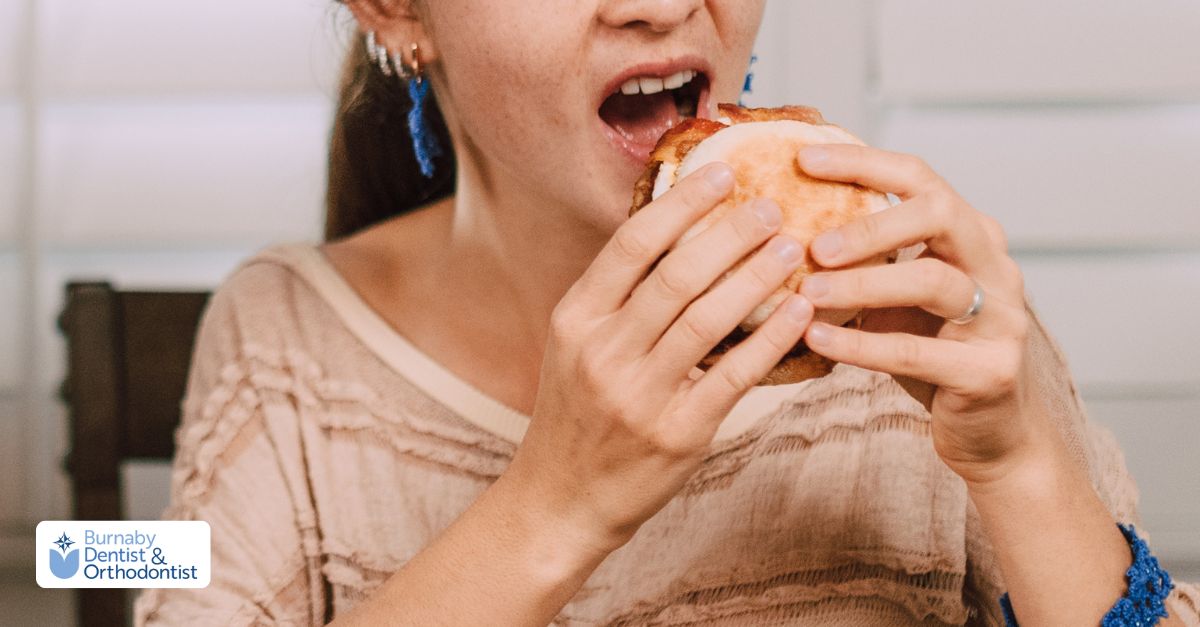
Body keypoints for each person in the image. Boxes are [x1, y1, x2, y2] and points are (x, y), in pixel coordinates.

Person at [135, 0, 1199, 625]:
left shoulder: (927, 306)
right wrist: (553, 507)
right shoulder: (281, 336)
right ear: (397, 11)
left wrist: (1021, 465)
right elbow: (91, 562)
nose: (659, 4)